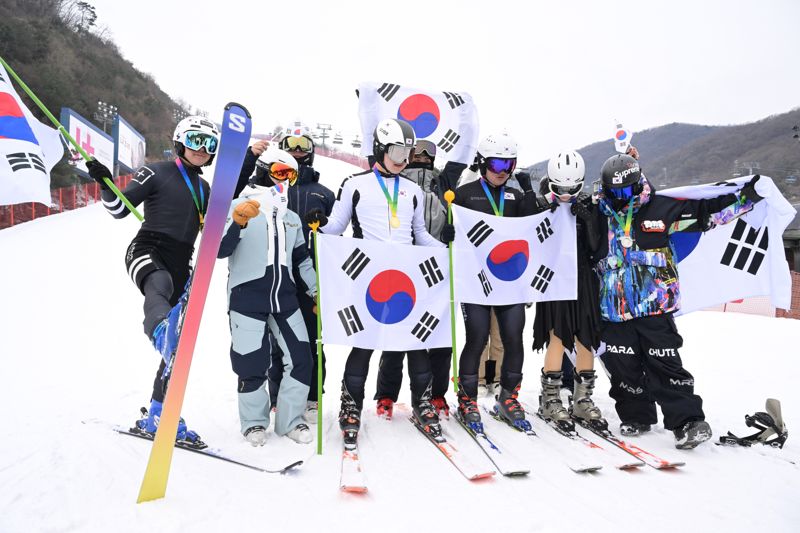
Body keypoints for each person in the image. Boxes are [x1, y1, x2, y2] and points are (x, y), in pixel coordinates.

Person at [592, 153, 764, 449]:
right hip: (614, 309)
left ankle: (688, 422)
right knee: (622, 366)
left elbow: (706, 214)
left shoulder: (661, 207)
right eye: (615, 192)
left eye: (627, 190)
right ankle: (636, 415)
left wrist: (745, 199)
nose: (621, 197)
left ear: (638, 183)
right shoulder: (596, 214)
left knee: (665, 364)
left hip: (655, 305)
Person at [304, 118, 445, 442]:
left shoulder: (412, 191)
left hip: (405, 279)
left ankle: (423, 404)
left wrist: (446, 248)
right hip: (368, 278)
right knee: (363, 345)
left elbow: (420, 234)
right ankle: (350, 406)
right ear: (381, 148)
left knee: (415, 343)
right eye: (397, 151)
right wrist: (318, 227)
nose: (403, 159)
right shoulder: (355, 184)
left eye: (408, 152)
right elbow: (336, 227)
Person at [85, 115, 220, 446]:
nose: (201, 149)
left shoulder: (204, 188)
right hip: (148, 249)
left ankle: (159, 414)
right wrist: (105, 183)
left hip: (182, 264)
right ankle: (160, 331)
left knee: (175, 351)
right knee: (158, 286)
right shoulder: (158, 171)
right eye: (194, 140)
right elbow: (119, 207)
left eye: (209, 144)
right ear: (179, 141)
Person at [235, 125, 335, 424]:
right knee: (274, 345)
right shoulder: (261, 191)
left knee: (309, 342)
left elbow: (339, 233)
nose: (297, 150)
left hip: (306, 274)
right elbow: (231, 197)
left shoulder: (323, 192)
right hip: (269, 276)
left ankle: (313, 396)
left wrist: (324, 225)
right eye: (290, 145)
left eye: (303, 145)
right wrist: (248, 158)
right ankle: (278, 397)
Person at [218, 149, 317, 445]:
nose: (285, 179)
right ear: (262, 170)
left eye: (292, 174)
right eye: (280, 171)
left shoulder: (291, 217)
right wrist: (237, 223)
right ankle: (254, 423)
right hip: (247, 295)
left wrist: (316, 292)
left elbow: (302, 261)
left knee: (302, 359)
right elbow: (219, 250)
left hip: (284, 298)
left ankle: (290, 421)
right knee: (251, 363)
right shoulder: (236, 205)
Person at [441, 132, 535, 433]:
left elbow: (535, 228)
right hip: (475, 282)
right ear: (482, 163)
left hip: (509, 283)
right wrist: (449, 233)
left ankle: (508, 397)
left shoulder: (516, 197)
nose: (503, 171)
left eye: (509, 164)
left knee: (513, 338)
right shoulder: (466, 194)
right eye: (496, 163)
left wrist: (530, 191)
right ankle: (467, 398)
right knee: (477, 337)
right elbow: (449, 230)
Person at [373, 139, 454, 417]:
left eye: (427, 151)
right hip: (402, 267)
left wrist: (450, 239)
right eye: (414, 151)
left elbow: (463, 154)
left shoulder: (443, 182)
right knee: (397, 334)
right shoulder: (394, 182)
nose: (420, 155)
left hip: (437, 269)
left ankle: (437, 393)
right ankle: (386, 394)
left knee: (440, 336)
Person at [532, 150, 606, 432]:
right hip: (553, 278)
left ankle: (582, 398)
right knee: (557, 336)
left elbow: (598, 249)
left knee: (585, 337)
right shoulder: (541, 206)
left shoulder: (589, 206)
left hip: (583, 277)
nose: (565, 195)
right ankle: (550, 397)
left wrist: (588, 221)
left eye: (571, 189)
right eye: (560, 189)